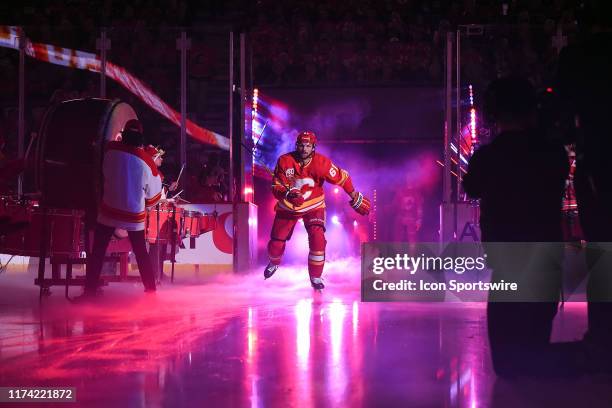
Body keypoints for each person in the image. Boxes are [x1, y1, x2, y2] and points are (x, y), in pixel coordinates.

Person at [462, 77, 570, 377]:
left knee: (508, 366)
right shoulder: (552, 152)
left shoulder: (488, 156)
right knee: (536, 354)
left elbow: (470, 187)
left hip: (507, 261)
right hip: (544, 257)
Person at [556, 7, 612, 361]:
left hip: (597, 162)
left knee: (603, 252)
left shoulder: (578, 56)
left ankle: (604, 337)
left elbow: (563, 108)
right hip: (595, 159)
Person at [264, 131, 370, 290]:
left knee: (318, 239)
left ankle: (316, 276)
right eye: (301, 145)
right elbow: (276, 186)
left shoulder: (322, 163)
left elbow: (343, 177)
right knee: (276, 244)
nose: (304, 149)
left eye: (308, 146)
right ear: (296, 145)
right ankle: (274, 262)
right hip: (288, 206)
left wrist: (353, 194)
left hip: (314, 205)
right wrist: (287, 193)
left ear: (313, 147)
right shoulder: (285, 161)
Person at [79, 119, 162, 299]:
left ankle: (89, 291)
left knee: (98, 252)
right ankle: (151, 291)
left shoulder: (109, 150)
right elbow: (153, 197)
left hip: (109, 212)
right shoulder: (147, 162)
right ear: (141, 137)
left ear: (123, 135)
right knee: (141, 253)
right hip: (134, 217)